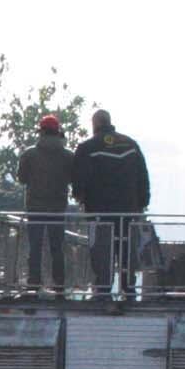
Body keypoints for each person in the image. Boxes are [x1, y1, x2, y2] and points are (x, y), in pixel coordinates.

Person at [69, 108, 152, 300]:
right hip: (128, 210)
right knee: (127, 250)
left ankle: (103, 289)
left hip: (100, 211)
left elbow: (79, 177)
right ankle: (128, 289)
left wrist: (80, 198)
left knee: (101, 250)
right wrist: (143, 202)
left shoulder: (88, 147)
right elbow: (143, 175)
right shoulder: (131, 144)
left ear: (94, 124)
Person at [15, 114, 75, 291]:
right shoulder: (68, 156)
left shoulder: (29, 154)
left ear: (41, 132)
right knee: (57, 247)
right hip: (57, 208)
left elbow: (22, 178)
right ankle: (59, 283)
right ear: (58, 132)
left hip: (35, 208)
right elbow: (73, 178)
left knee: (35, 246)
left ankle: (34, 281)